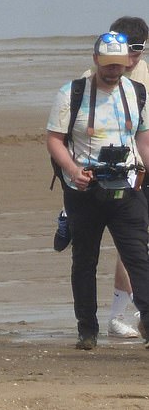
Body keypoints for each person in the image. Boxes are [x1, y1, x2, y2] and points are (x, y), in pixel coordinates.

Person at [47, 31, 149, 350]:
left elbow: (143, 136)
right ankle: (87, 330)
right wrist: (73, 171)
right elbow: (54, 139)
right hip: (84, 190)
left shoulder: (137, 92)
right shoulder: (72, 93)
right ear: (95, 60)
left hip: (126, 188)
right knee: (84, 259)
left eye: (119, 65)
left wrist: (143, 169)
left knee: (138, 257)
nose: (113, 70)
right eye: (107, 65)